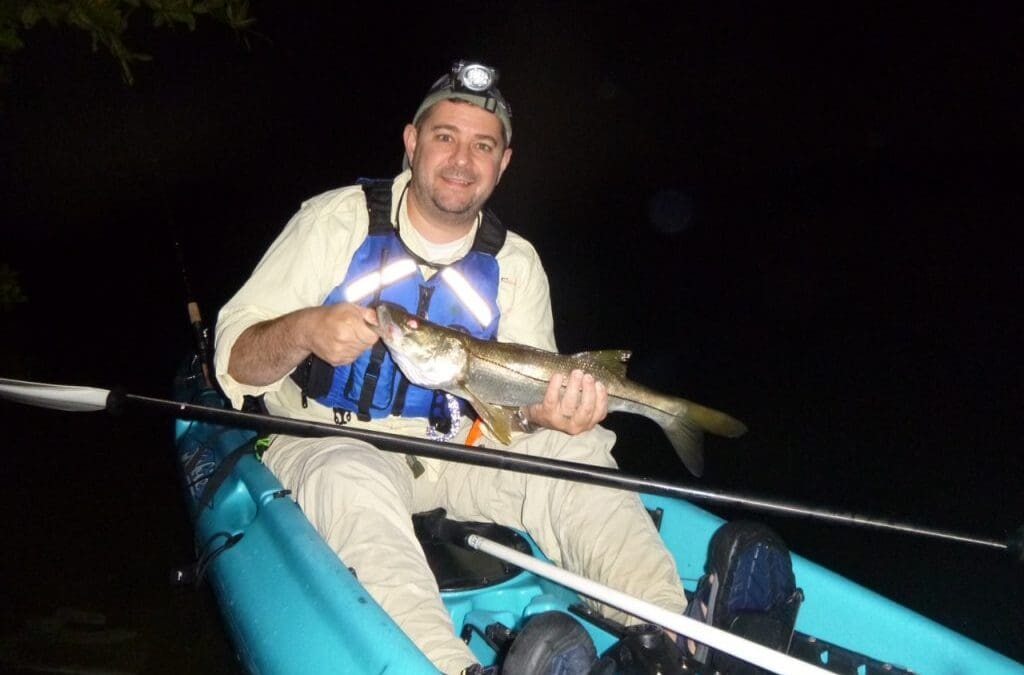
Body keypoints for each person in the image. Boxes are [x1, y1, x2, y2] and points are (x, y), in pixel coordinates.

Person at [214, 60, 691, 674]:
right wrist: (304, 329)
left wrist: (546, 416)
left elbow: (513, 420)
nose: (462, 158)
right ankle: (447, 666)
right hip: (329, 440)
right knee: (350, 475)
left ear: (503, 163)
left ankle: (668, 638)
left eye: (482, 145)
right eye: (445, 136)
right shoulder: (334, 222)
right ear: (412, 143)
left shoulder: (515, 262)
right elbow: (235, 359)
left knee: (581, 449)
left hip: (458, 453)